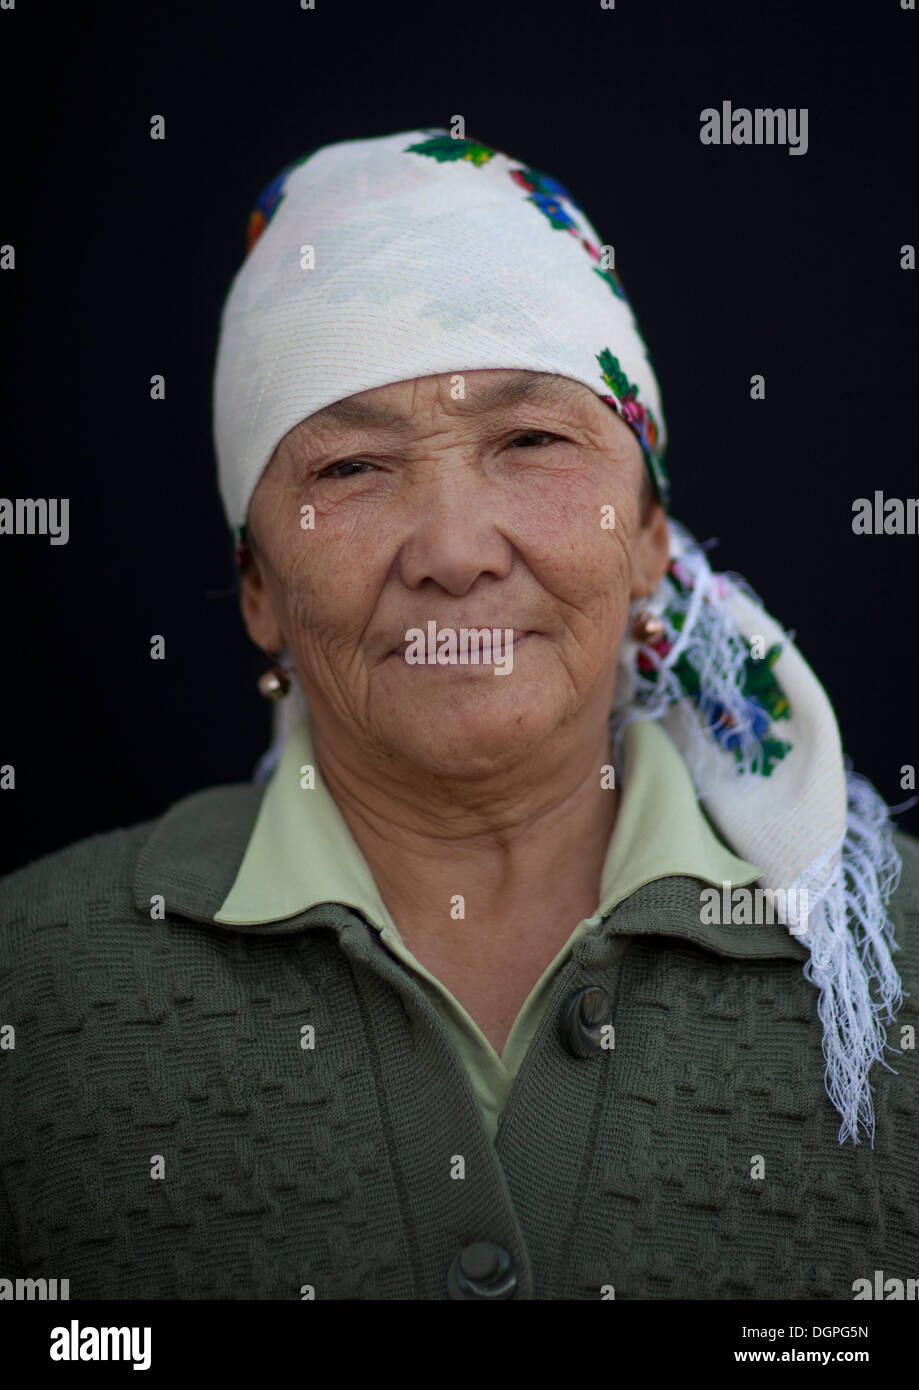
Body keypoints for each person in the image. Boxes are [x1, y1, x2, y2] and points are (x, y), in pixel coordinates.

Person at [1, 127, 917, 1302]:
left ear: (647, 539)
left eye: (530, 440)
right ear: (259, 590)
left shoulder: (881, 972)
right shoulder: (37, 992)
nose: (451, 551)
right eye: (351, 470)